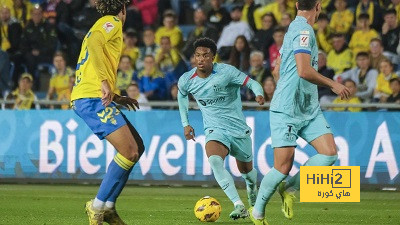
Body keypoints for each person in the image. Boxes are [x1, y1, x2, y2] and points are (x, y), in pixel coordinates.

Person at [249, 1, 350, 224]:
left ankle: (289, 189)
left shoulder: (293, 29)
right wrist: (333, 84)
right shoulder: (303, 30)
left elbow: (277, 70)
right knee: (282, 167)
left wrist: (290, 85)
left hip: (308, 108)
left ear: (296, 5)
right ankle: (257, 211)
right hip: (287, 110)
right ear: (319, 6)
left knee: (329, 154)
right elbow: (304, 71)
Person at [70, 1, 145, 224]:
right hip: (91, 97)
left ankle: (109, 206)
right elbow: (94, 43)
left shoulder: (101, 24)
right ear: (122, 9)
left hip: (94, 96)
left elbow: (95, 48)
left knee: (137, 148)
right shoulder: (111, 22)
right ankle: (97, 206)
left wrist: (116, 95)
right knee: (129, 151)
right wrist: (104, 82)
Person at [178, 37, 265, 220]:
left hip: (238, 130)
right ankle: (238, 204)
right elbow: (182, 96)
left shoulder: (226, 72)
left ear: (213, 57)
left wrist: (258, 93)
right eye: (197, 56)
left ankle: (252, 188)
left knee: (247, 173)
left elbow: (251, 82)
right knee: (215, 161)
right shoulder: (187, 80)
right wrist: (186, 124)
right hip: (214, 129)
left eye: (205, 55)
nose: (201, 59)